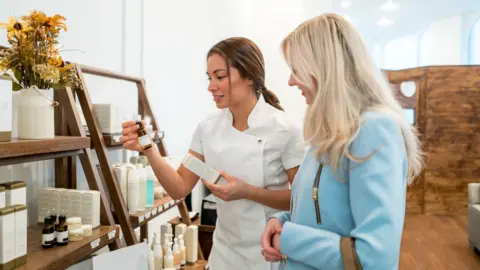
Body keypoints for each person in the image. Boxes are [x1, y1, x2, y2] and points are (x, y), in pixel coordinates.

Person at [120, 37, 305, 270]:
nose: (211, 86)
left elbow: (300, 200)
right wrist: (148, 149)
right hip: (223, 255)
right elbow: (179, 188)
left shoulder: (284, 129)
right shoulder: (208, 127)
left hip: (267, 255)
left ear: (249, 77)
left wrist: (247, 192)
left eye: (220, 76)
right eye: (210, 78)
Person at [260, 13, 425, 270]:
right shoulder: (330, 132)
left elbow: (375, 258)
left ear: (323, 66)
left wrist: (289, 239)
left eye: (295, 69)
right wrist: (282, 220)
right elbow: (326, 214)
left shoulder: (374, 130)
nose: (291, 81)